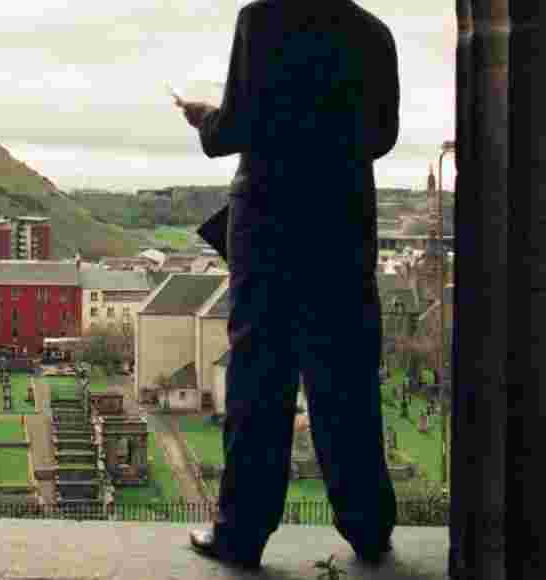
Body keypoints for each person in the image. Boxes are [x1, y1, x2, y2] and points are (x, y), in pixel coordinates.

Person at [172, 0, 402, 569]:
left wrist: (204, 115)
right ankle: (369, 527)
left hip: (271, 220)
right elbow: (382, 136)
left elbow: (235, 129)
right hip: (344, 219)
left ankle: (241, 531)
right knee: (346, 369)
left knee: (260, 372)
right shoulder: (373, 33)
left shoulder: (262, 20)